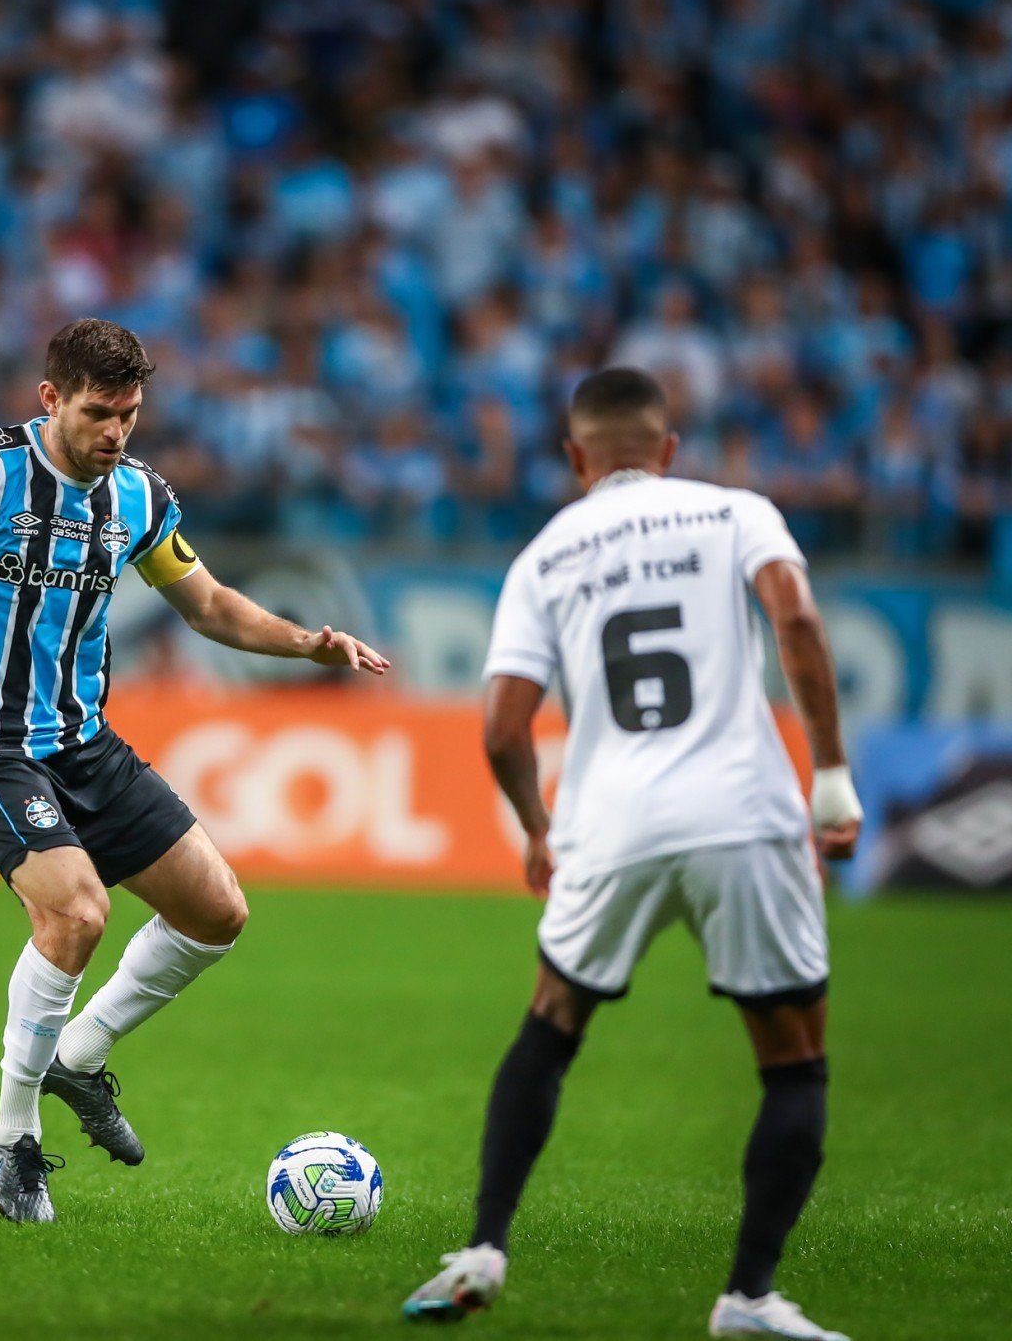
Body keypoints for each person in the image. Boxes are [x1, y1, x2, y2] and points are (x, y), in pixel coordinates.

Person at [0, 318, 390, 1223]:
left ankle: (76, 1058)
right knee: (78, 910)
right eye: (100, 412)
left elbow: (205, 603)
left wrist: (306, 644)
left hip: (85, 743)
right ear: (51, 399)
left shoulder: (137, 497)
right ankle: (12, 1139)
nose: (116, 432)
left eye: (130, 413)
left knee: (217, 912)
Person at [401, 368, 861, 1340]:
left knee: (552, 1021)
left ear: (575, 460)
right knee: (794, 1061)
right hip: (744, 810)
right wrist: (831, 778)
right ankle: (748, 1297)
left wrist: (536, 826)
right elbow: (799, 624)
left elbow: (501, 728)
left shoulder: (545, 555)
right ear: (669, 450)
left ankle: (483, 1248)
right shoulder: (736, 513)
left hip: (610, 821)